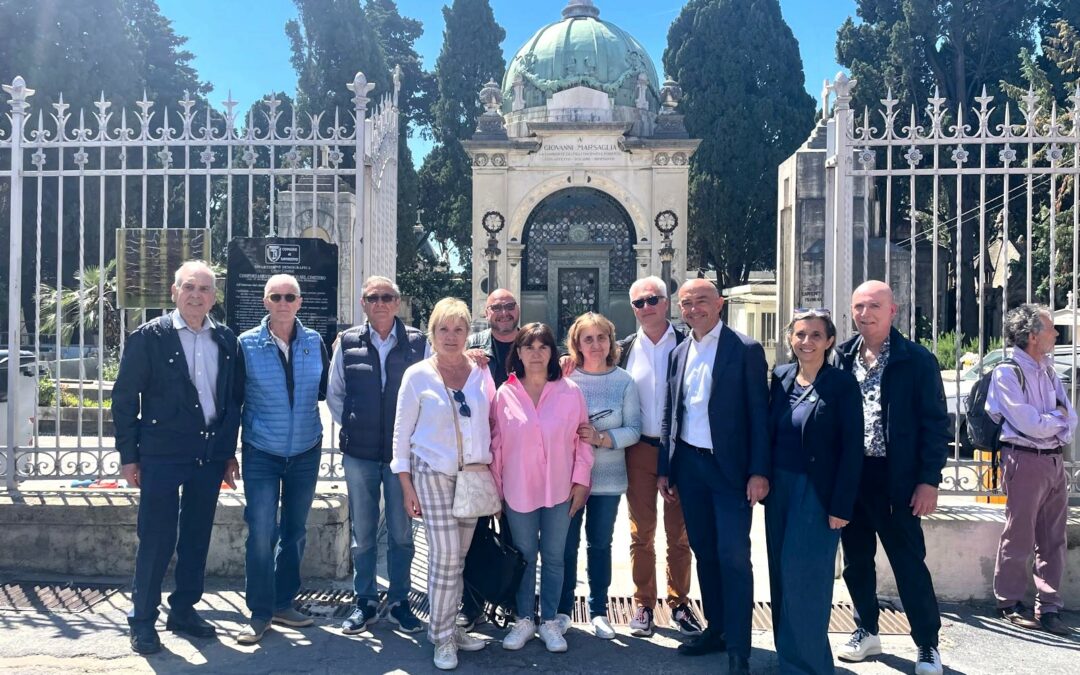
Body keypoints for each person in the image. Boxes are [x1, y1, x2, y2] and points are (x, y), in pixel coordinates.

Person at [113, 260, 242, 655]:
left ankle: (184, 609)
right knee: (156, 537)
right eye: (189, 287)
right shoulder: (149, 338)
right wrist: (129, 456)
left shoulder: (226, 340)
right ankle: (142, 619)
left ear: (214, 297)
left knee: (196, 535)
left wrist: (227, 452)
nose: (196, 295)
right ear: (174, 292)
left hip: (207, 454)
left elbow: (232, 401)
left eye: (204, 289)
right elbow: (123, 399)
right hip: (162, 454)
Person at [835, 280, 949, 675]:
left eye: (873, 307)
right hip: (853, 476)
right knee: (856, 561)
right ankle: (866, 630)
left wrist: (928, 480)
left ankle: (927, 644)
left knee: (908, 563)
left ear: (892, 311)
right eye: (858, 307)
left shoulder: (915, 360)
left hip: (897, 479)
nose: (864, 314)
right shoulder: (842, 356)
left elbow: (936, 425)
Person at [658, 279, 769, 675]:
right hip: (690, 468)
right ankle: (717, 630)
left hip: (731, 472)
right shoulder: (679, 351)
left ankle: (740, 646)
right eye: (686, 303)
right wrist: (665, 468)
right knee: (705, 551)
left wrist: (759, 471)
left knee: (734, 557)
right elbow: (671, 411)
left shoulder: (745, 350)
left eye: (701, 301)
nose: (693, 309)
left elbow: (759, 415)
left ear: (719, 304)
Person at [392, 298, 497, 670]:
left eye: (459, 329)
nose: (451, 337)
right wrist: (405, 484)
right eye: (443, 329)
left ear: (469, 332)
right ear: (432, 332)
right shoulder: (418, 374)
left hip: (471, 475)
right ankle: (441, 636)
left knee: (459, 559)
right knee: (446, 557)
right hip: (431, 471)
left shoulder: (480, 371)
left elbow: (493, 420)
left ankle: (451, 627)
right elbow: (401, 433)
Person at [765, 309, 864, 674]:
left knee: (806, 578)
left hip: (817, 492)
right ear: (791, 338)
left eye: (815, 335)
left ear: (830, 341)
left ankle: (810, 667)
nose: (806, 342)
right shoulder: (782, 376)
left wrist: (841, 504)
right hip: (780, 489)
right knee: (780, 575)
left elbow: (853, 448)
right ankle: (787, 659)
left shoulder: (841, 385)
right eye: (800, 334)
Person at [327, 276, 426, 635]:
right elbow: (335, 393)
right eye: (373, 297)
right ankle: (364, 600)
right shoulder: (349, 343)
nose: (380, 303)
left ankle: (400, 600)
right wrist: (355, 425)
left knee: (401, 533)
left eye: (387, 297)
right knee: (363, 533)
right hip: (360, 455)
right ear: (363, 303)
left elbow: (428, 396)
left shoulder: (418, 343)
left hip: (402, 458)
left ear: (397, 303)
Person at [235, 274, 329, 644]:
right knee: (261, 533)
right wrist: (229, 453)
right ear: (265, 301)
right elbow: (233, 400)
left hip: (305, 450)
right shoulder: (246, 344)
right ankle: (259, 612)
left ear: (300, 302)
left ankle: (283, 602)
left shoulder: (314, 342)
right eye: (276, 296)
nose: (283, 302)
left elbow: (327, 391)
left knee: (295, 531)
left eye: (290, 296)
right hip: (262, 450)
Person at [491, 323, 593, 654]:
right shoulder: (504, 394)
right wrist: (496, 490)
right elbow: (496, 446)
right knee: (524, 556)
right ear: (517, 353)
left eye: (543, 347)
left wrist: (581, 481)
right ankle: (523, 619)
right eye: (528, 347)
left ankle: (549, 621)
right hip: (518, 490)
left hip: (560, 490)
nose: (536, 353)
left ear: (552, 352)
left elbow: (582, 441)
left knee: (554, 556)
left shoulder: (570, 392)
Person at [617, 276, 700, 638]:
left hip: (678, 452)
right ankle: (643, 604)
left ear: (667, 303)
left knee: (679, 534)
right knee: (641, 533)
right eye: (639, 302)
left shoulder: (688, 344)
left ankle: (679, 603)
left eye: (653, 300)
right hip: (638, 449)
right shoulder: (623, 349)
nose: (646, 307)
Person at [988, 304, 1077, 636]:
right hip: (1023, 459)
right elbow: (1028, 424)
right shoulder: (1007, 373)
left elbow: (1071, 419)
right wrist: (1055, 421)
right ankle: (1009, 602)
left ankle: (1049, 607)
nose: (1055, 334)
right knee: (1020, 533)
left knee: (1054, 538)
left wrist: (1053, 423)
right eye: (1050, 329)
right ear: (1030, 336)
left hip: (1053, 460)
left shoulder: (1050, 371)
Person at [556, 312, 640, 639]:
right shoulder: (564, 378)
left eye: (601, 337)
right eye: (587, 339)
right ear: (576, 344)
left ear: (611, 341)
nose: (595, 344)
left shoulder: (623, 381)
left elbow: (634, 428)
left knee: (600, 544)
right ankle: (562, 610)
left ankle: (598, 610)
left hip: (607, 479)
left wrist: (603, 439)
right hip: (569, 480)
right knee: (565, 545)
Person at [458, 288, 521, 629]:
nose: (503, 312)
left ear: (518, 309)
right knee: (476, 534)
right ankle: (472, 604)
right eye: (497, 307)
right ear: (487, 311)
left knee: (516, 537)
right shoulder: (474, 348)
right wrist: (466, 356)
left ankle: (510, 603)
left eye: (509, 306)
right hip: (480, 456)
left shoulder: (531, 343)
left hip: (518, 458)